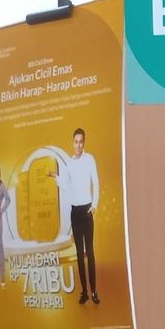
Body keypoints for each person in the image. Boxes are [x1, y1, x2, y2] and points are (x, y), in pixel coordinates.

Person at [47, 128, 99, 306]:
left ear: (84, 142)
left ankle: (94, 291)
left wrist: (94, 205)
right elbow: (66, 186)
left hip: (87, 210)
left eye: (81, 142)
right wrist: (56, 177)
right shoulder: (69, 163)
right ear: (73, 142)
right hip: (75, 212)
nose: (78, 145)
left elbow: (96, 183)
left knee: (90, 252)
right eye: (76, 142)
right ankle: (84, 292)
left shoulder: (89, 159)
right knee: (79, 253)